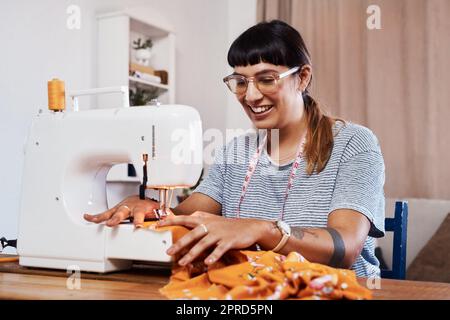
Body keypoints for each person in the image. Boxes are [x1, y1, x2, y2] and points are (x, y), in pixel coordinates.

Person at [84, 20, 385, 278]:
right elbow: (184, 216)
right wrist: (149, 208)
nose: (251, 95)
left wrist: (262, 230)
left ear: (302, 77)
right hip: (253, 291)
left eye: (266, 79)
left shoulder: (353, 144)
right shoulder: (235, 151)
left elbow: (344, 248)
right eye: (240, 82)